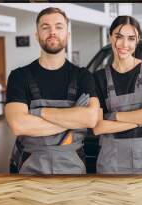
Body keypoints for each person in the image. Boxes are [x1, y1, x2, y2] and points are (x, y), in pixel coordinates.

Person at [5, 7, 99, 174]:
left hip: (73, 167)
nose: (52, 32)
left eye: (59, 26)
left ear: (68, 35)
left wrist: (37, 113)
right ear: (37, 35)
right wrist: (73, 120)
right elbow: (18, 125)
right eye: (45, 27)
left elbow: (91, 119)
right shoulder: (19, 76)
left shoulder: (83, 76)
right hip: (28, 167)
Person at [92, 16, 142, 174]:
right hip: (112, 165)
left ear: (137, 40)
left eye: (131, 38)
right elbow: (99, 127)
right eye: (119, 37)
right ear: (110, 37)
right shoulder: (98, 78)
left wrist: (113, 116)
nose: (124, 44)